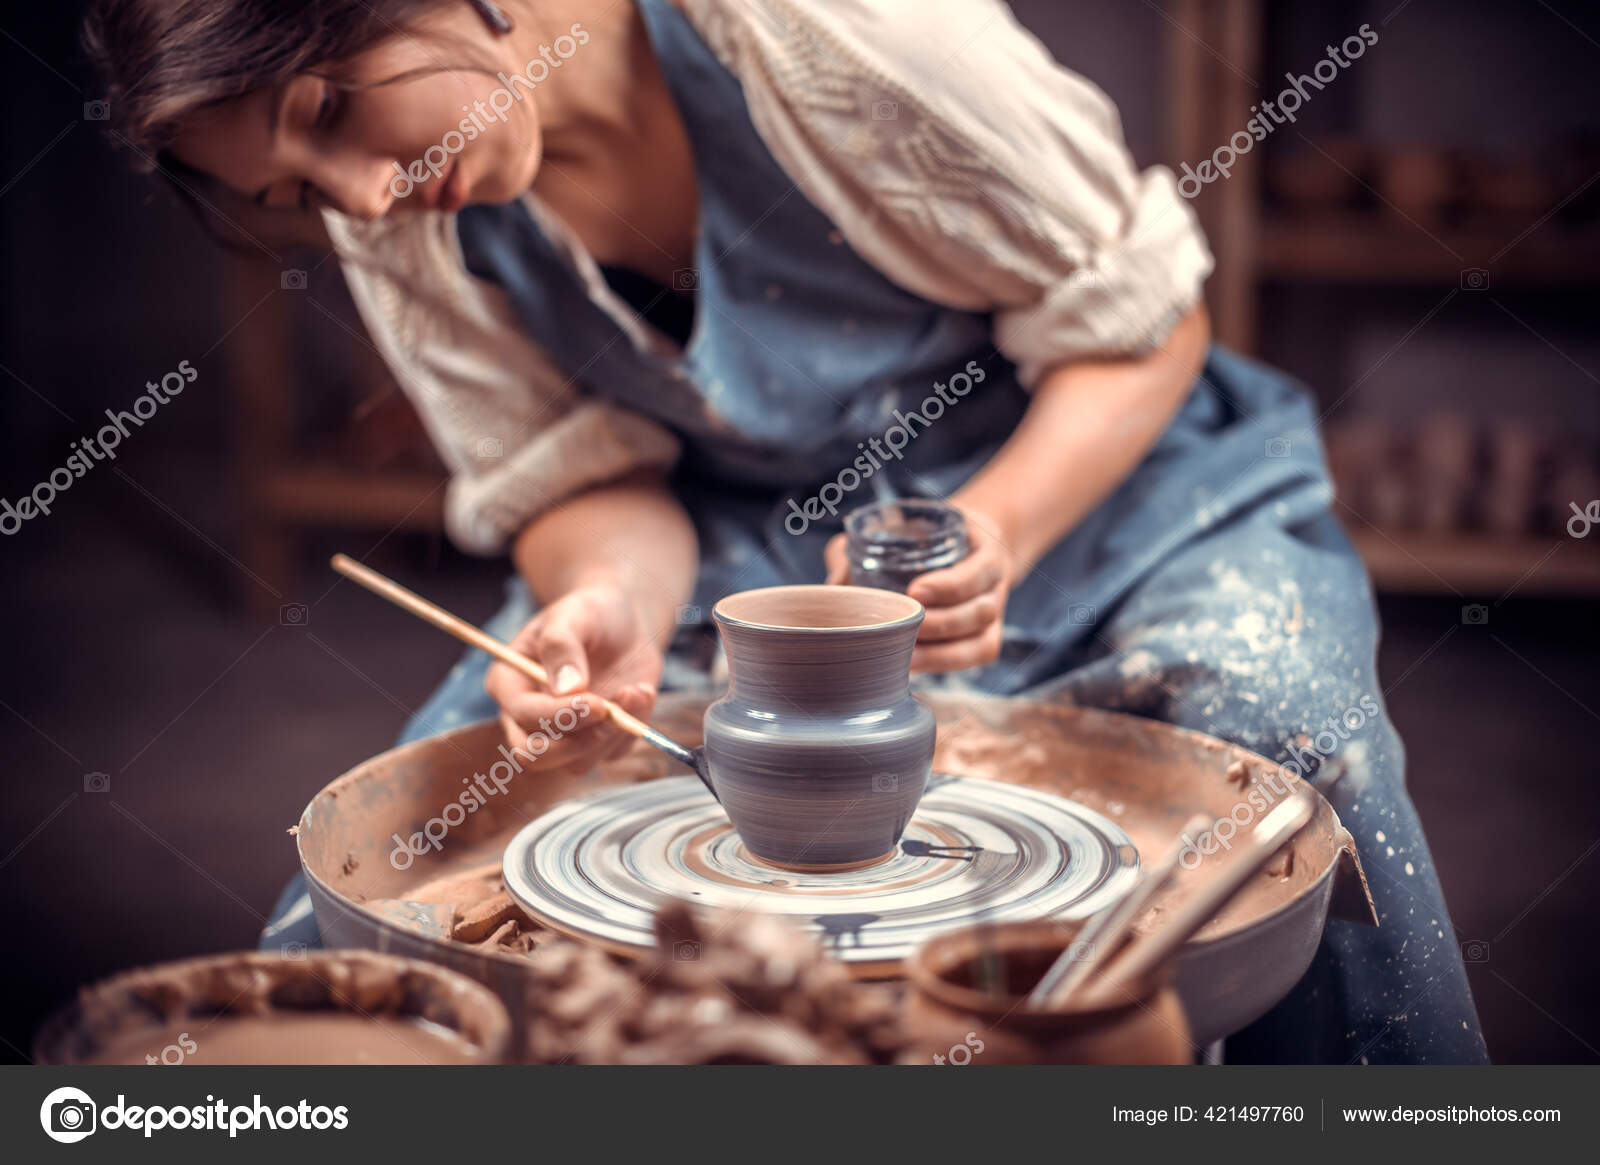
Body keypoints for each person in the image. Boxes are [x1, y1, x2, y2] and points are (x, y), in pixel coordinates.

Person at [86, 0, 1487, 1063]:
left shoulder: (834, 35)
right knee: (413, 849)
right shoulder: (405, 219)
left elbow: (1148, 323)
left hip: (1107, 476)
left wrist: (993, 523)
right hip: (747, 543)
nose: (359, 198)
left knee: (1288, 744)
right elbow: (588, 485)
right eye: (292, 196)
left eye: (331, 105)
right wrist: (600, 603)